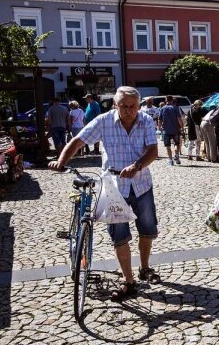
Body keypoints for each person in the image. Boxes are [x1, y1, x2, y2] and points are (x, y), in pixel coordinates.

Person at [48, 86, 160, 301]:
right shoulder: (104, 121)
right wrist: (61, 162)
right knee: (119, 234)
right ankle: (129, 280)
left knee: (146, 228)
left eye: (133, 106)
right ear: (116, 105)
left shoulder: (145, 120)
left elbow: (153, 151)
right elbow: (78, 140)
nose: (129, 110)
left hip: (142, 183)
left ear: (138, 106)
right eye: (124, 106)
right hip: (113, 187)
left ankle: (145, 267)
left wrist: (136, 166)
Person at [158, 95, 184, 166]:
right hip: (175, 129)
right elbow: (179, 119)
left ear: (166, 100)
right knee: (177, 144)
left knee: (168, 146)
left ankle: (170, 160)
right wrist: (182, 126)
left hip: (166, 130)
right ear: (172, 100)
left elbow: (159, 119)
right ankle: (176, 155)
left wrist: (159, 127)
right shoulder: (175, 108)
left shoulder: (162, 108)